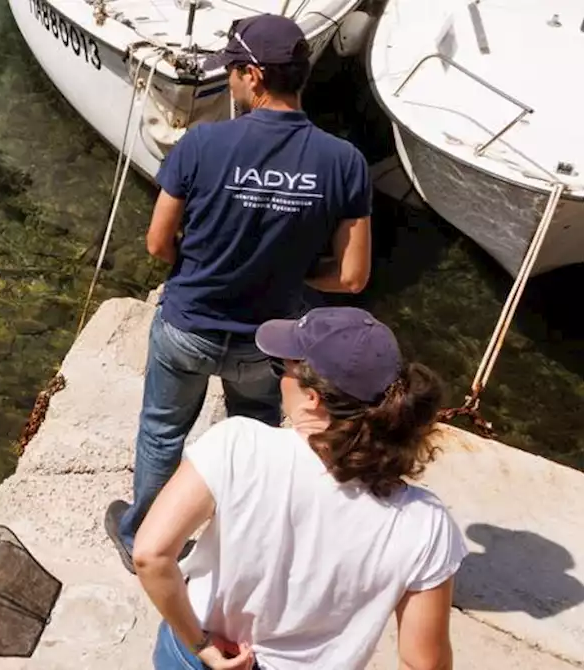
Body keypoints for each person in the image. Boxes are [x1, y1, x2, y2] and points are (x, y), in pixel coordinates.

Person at [104, 13, 374, 572]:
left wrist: (204, 264)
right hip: (270, 340)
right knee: (253, 444)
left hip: (188, 326)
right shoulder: (344, 162)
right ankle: (237, 545)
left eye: (231, 69)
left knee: (162, 431)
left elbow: (157, 243)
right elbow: (351, 278)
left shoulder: (203, 143)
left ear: (253, 75)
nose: (228, 79)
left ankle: (147, 538)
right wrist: (292, 274)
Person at [132, 307, 468, 670]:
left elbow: (150, 555)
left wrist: (200, 645)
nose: (279, 379)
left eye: (282, 368)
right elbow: (425, 665)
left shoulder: (236, 445)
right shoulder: (425, 524)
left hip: (200, 657)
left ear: (314, 397)